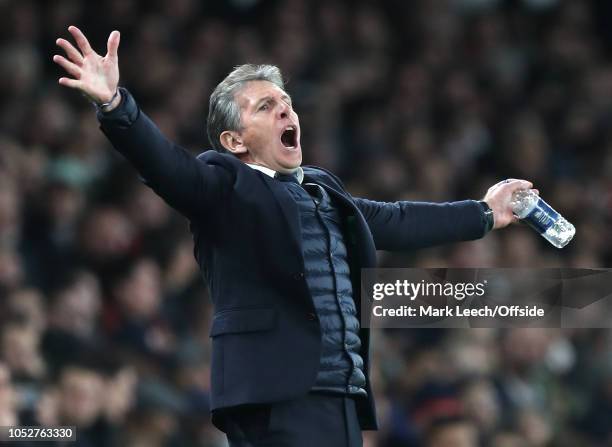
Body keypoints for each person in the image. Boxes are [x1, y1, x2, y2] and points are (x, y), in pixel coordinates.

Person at [53, 25, 532, 447]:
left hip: (340, 391)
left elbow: (398, 219)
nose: (286, 111)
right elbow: (166, 167)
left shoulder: (323, 190)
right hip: (276, 393)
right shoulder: (225, 185)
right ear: (235, 141)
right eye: (267, 106)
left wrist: (485, 213)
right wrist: (117, 106)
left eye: (287, 103)